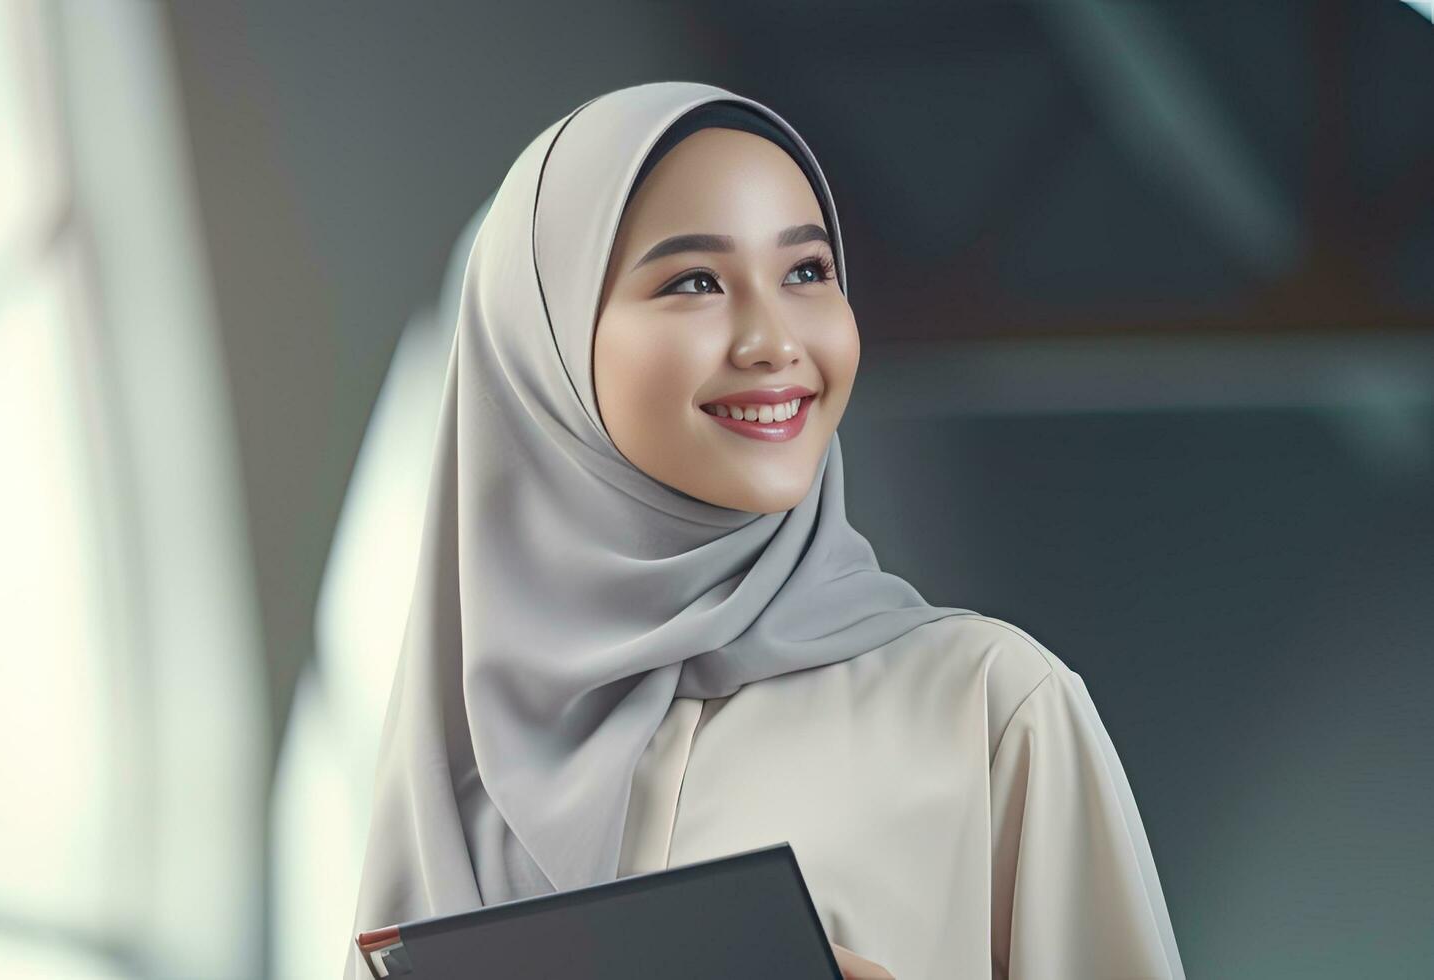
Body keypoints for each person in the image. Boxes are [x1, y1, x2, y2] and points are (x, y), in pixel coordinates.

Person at [343, 82, 1185, 980]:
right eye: (695, 281)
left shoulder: (987, 706)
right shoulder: (459, 766)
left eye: (807, 273)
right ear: (541, 346)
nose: (771, 340)